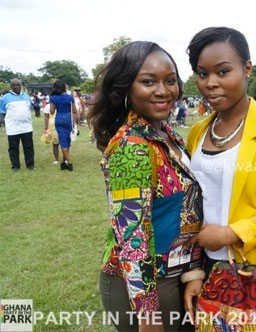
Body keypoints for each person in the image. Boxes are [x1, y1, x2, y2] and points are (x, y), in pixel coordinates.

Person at [88, 41, 203, 331]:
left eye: (170, 81)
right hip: (143, 285)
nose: (163, 90)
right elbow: (132, 237)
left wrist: (192, 271)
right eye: (148, 81)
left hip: (174, 273)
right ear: (126, 87)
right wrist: (148, 314)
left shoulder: (167, 134)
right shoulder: (132, 147)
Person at [184, 26, 256, 319]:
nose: (211, 83)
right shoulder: (198, 132)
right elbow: (192, 208)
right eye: (202, 73)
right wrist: (195, 270)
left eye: (223, 72)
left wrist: (231, 233)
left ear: (247, 69)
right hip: (208, 266)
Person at [0, 79, 35, 172]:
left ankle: (30, 164)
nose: (17, 87)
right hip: (13, 128)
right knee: (13, 148)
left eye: (18, 85)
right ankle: (15, 166)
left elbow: (29, 108)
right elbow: (2, 111)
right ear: (11, 86)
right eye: (15, 85)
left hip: (26, 127)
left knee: (28, 147)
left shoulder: (26, 96)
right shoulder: (5, 98)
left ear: (21, 86)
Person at [50, 80, 77, 171]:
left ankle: (68, 162)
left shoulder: (53, 97)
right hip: (69, 119)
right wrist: (74, 122)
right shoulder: (70, 97)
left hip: (59, 119)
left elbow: (52, 111)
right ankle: (63, 162)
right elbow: (74, 110)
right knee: (67, 140)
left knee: (62, 140)